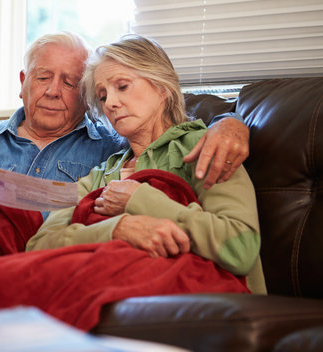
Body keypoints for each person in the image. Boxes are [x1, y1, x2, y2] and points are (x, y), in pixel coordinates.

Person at [0, 31, 250, 241]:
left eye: (69, 83)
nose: (52, 91)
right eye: (43, 77)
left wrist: (230, 121)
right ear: (23, 83)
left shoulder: (110, 148)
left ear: (84, 96)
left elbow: (169, 131)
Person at [26, 35, 266, 294]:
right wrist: (116, 229)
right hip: (116, 296)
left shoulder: (204, 147)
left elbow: (241, 249)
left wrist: (140, 199)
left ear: (162, 87)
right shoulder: (102, 173)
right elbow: (40, 246)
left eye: (123, 86)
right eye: (103, 96)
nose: (111, 103)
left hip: (205, 305)